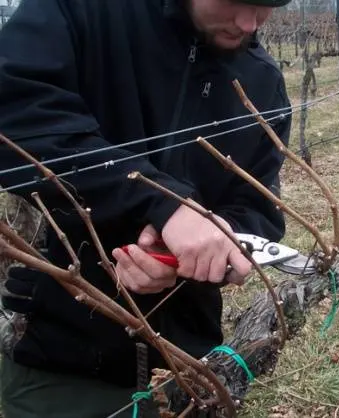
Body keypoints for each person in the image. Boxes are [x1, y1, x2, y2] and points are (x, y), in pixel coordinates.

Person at [0, 0, 293, 416]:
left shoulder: (261, 84)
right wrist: (163, 205)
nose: (249, 23)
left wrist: (196, 251)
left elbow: (258, 210)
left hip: (188, 368)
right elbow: (19, 118)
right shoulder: (83, 10)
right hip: (60, 365)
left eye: (266, 6)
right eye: (233, 0)